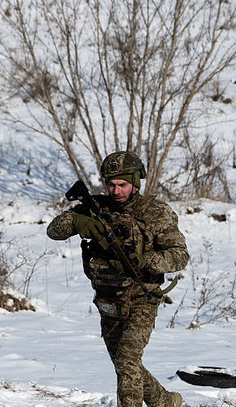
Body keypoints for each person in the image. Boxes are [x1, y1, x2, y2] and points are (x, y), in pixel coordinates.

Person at [47, 151, 189, 407]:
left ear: (136, 183)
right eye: (111, 184)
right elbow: (53, 230)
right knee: (126, 366)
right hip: (108, 298)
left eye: (122, 184)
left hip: (142, 297)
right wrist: (79, 223)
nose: (116, 190)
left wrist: (146, 261)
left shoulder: (156, 212)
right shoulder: (96, 207)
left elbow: (179, 256)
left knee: (127, 359)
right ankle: (166, 402)